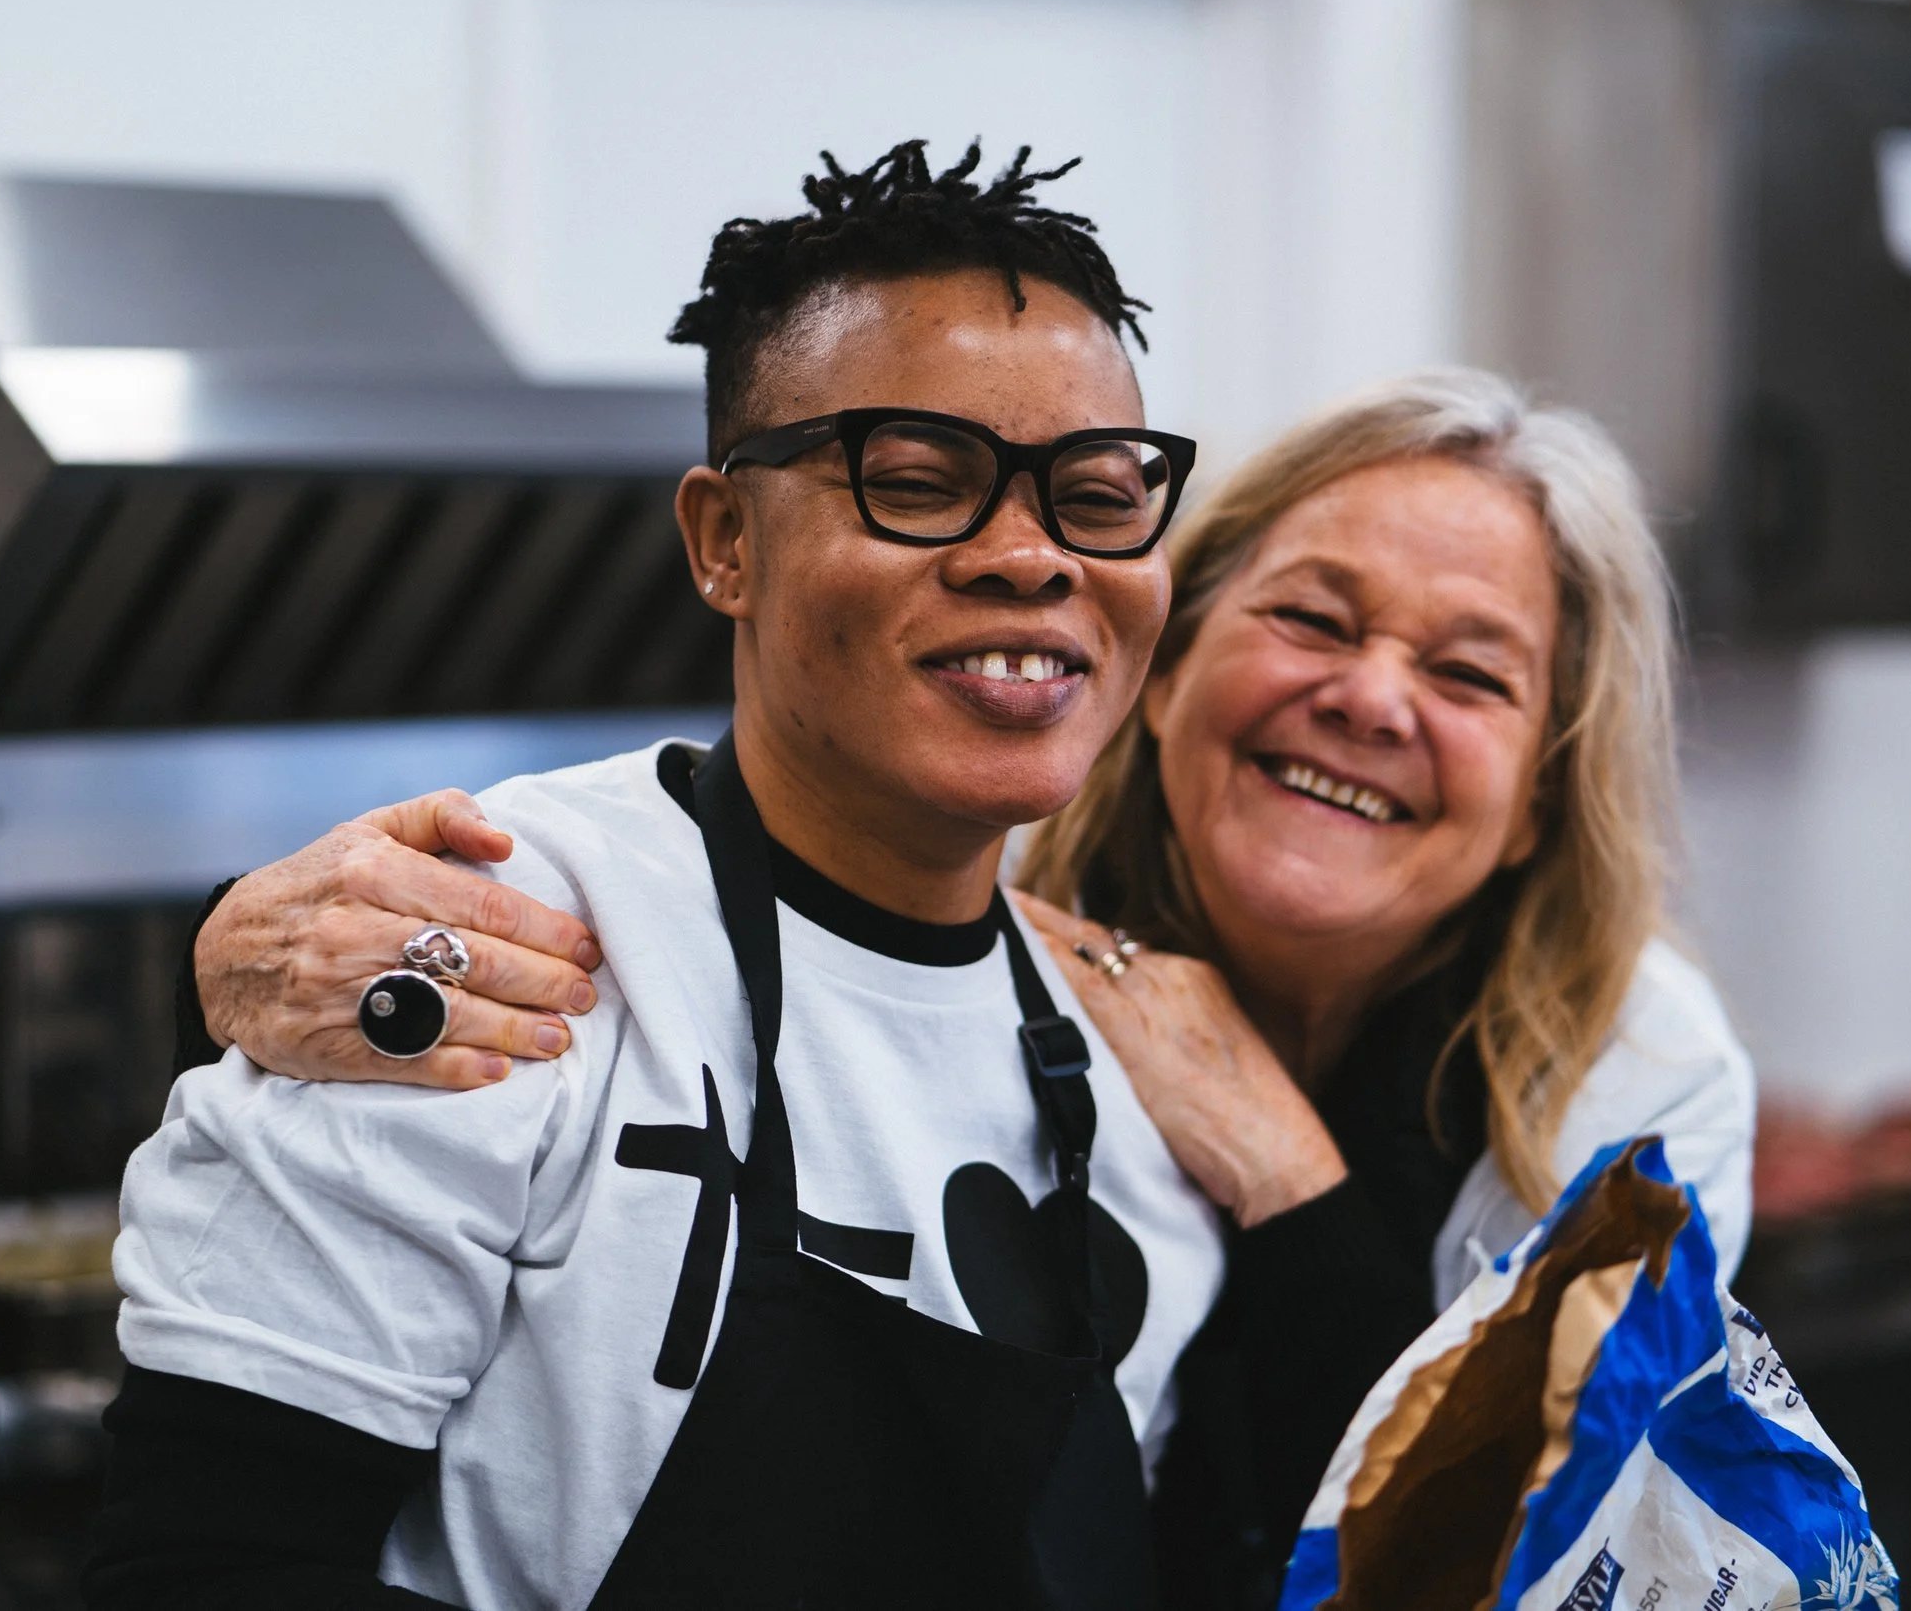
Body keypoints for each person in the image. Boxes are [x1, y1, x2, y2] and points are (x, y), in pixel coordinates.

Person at [191, 370, 1758, 1606]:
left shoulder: (1632, 1080)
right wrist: (239, 945)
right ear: (1172, 654)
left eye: (1469, 675)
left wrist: (1287, 1178)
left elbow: (1490, 1568)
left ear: (1547, 788)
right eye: (1311, 619)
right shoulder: (968, 896)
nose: (1366, 700)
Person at [86, 140, 1230, 1611]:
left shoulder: (1138, 1078)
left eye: (1094, 493)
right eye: (917, 479)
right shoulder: (487, 947)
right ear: (724, 541)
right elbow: (202, 1576)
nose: (1028, 557)